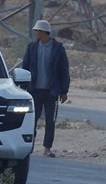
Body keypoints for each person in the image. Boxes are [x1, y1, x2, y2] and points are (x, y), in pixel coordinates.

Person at [19, 19, 70, 157]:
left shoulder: (58, 49)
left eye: (37, 30)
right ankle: (30, 145)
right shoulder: (32, 47)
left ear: (43, 32)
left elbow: (64, 70)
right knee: (31, 120)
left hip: (51, 91)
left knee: (50, 120)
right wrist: (23, 85)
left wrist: (64, 91)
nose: (35, 32)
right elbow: (25, 67)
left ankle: (47, 148)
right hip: (34, 90)